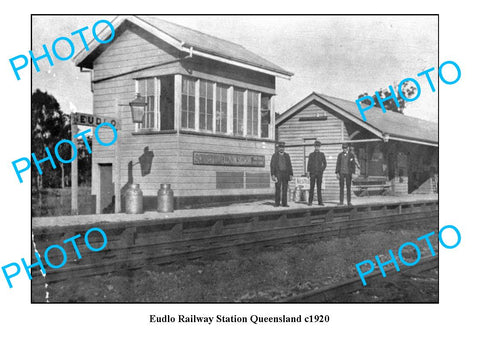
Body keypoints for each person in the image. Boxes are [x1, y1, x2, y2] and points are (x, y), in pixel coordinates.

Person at [270, 141, 293, 207]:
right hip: (278, 174)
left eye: (283, 147)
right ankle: (277, 203)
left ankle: (284, 203)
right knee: (278, 188)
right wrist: (273, 175)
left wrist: (291, 174)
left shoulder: (287, 156)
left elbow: (289, 165)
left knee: (285, 189)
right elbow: (272, 166)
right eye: (280, 147)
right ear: (278, 148)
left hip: (285, 174)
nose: (281, 149)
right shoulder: (275, 155)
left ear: (284, 148)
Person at [307, 140, 327, 206]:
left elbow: (325, 164)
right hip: (312, 173)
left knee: (319, 188)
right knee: (311, 187)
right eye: (316, 146)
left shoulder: (322, 154)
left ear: (319, 147)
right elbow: (309, 164)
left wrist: (322, 170)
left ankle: (320, 202)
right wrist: (308, 171)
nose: (317, 147)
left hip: (319, 173)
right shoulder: (311, 155)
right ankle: (310, 202)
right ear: (314, 146)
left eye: (318, 146)